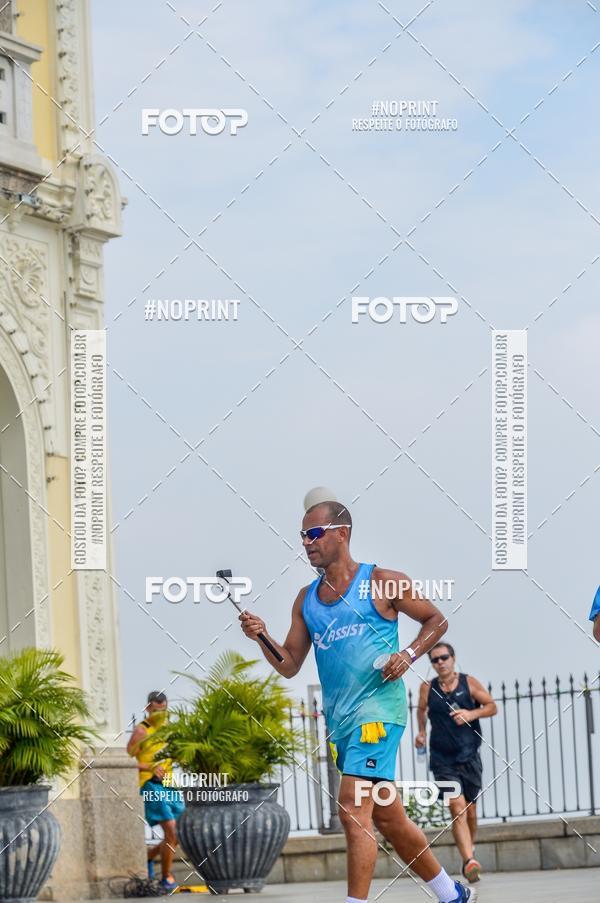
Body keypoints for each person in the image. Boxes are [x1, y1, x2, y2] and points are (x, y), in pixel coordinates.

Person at [240, 499, 478, 903]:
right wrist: (261, 636)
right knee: (387, 815)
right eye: (302, 536)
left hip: (378, 715)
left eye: (313, 534)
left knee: (351, 806)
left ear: (341, 534)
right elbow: (290, 664)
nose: (306, 543)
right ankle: (450, 893)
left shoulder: (383, 581)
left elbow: (436, 620)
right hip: (342, 724)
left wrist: (408, 655)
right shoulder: (305, 600)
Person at [416, 643, 497, 884]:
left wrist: (471, 714)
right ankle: (469, 860)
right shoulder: (426, 688)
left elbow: (492, 706)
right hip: (442, 759)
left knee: (470, 811)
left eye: (444, 657)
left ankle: (468, 855)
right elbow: (421, 711)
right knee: (457, 806)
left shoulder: (468, 682)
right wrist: (421, 732)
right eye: (435, 660)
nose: (440, 662)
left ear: (453, 658)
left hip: (469, 754)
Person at [127, 691, 184, 891]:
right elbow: (128, 760)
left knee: (180, 833)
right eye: (156, 710)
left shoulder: (169, 730)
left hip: (169, 781)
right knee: (171, 829)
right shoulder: (142, 731)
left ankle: (149, 857)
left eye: (164, 710)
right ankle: (166, 877)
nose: (160, 714)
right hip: (149, 783)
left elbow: (176, 754)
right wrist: (150, 767)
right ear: (148, 709)